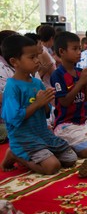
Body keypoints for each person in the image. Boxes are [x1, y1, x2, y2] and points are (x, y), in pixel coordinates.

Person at [0, 35, 77, 175]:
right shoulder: (12, 86)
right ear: (14, 61)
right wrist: (38, 103)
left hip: (41, 133)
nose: (37, 61)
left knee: (70, 158)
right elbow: (13, 118)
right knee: (52, 166)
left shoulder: (36, 82)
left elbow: (46, 112)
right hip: (23, 137)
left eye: (37, 56)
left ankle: (36, 153)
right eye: (31, 57)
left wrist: (46, 102)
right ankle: (15, 154)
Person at [51, 32, 87, 158]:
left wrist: (86, 81)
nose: (79, 52)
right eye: (75, 49)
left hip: (83, 120)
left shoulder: (79, 72)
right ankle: (65, 143)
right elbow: (64, 102)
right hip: (66, 124)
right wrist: (81, 81)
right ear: (62, 51)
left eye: (80, 49)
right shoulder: (58, 75)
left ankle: (82, 140)